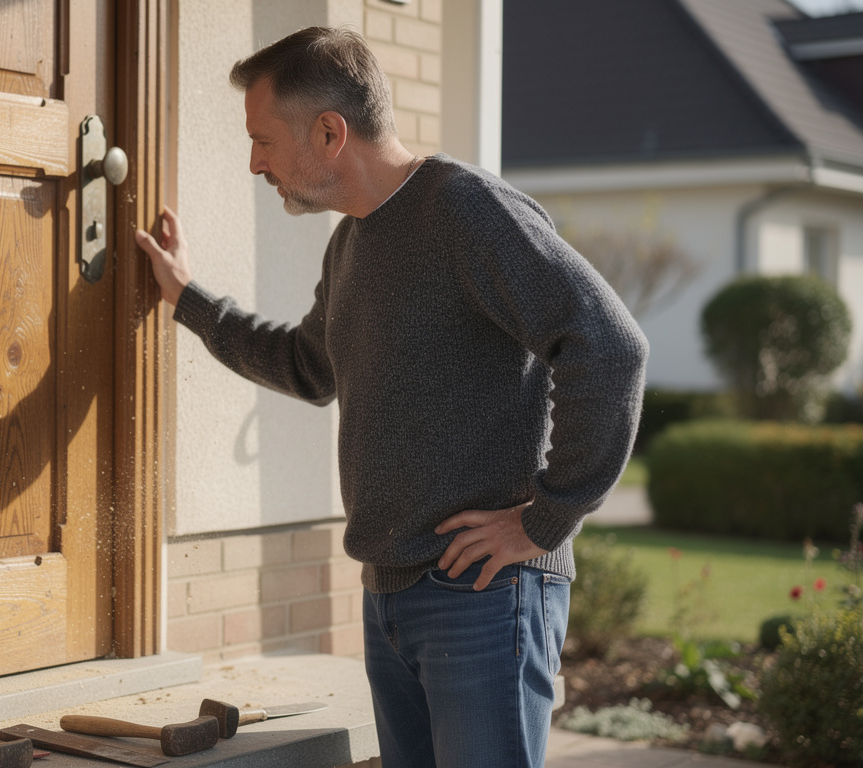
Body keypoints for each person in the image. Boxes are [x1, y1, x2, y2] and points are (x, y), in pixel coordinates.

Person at [134, 26, 647, 768]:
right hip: (392, 594)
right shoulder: (352, 243)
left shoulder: (467, 210)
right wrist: (188, 300)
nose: (254, 163)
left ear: (329, 131)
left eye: (263, 141)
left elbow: (608, 346)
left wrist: (548, 517)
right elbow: (307, 365)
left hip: (483, 593)